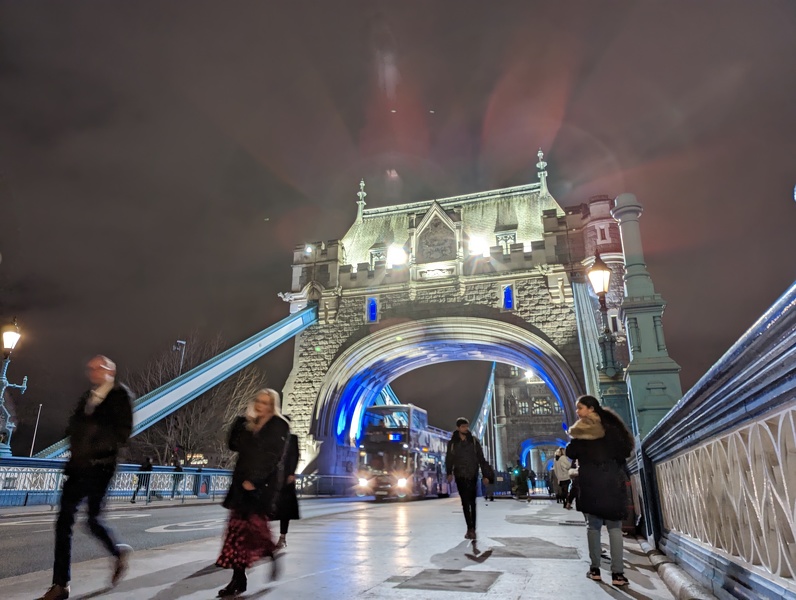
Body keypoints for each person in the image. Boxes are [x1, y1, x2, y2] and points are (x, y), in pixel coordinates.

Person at [37, 355, 134, 600]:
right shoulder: (87, 397)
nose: (92, 371)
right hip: (77, 468)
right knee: (63, 522)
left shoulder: (121, 396)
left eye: (97, 367)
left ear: (110, 370)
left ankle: (118, 552)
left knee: (92, 520)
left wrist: (94, 450)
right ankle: (61, 585)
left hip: (100, 468)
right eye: (90, 367)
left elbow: (122, 433)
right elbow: (74, 427)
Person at [216, 388, 290, 597]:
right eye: (258, 401)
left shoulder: (279, 425)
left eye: (266, 402)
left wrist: (256, 481)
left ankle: (271, 554)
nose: (261, 405)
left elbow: (273, 457)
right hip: (241, 484)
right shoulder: (248, 424)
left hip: (262, 486)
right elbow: (233, 446)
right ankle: (238, 580)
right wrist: (240, 422)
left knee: (257, 531)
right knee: (235, 535)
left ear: (272, 405)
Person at [566, 395, 634, 587]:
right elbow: (626, 450)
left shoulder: (581, 431)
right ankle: (618, 574)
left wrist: (577, 437)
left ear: (590, 409)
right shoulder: (613, 429)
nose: (577, 412)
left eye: (580, 408)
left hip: (591, 483)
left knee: (593, 527)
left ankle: (595, 569)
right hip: (612, 481)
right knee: (615, 528)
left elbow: (571, 453)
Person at [445, 417, 494, 540]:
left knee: (472, 502)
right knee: (465, 503)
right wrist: (449, 473)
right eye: (463, 427)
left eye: (467, 426)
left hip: (472, 475)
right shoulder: (452, 443)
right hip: (460, 475)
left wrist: (486, 475)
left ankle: (472, 529)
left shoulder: (474, 441)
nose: (466, 429)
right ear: (458, 428)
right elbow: (449, 459)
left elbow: (481, 459)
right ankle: (469, 528)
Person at [275, 415, 300, 549]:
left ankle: (282, 537)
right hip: (272, 478)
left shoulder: (293, 439)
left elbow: (296, 456)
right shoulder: (271, 438)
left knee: (285, 511)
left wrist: (291, 473)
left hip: (286, 479)